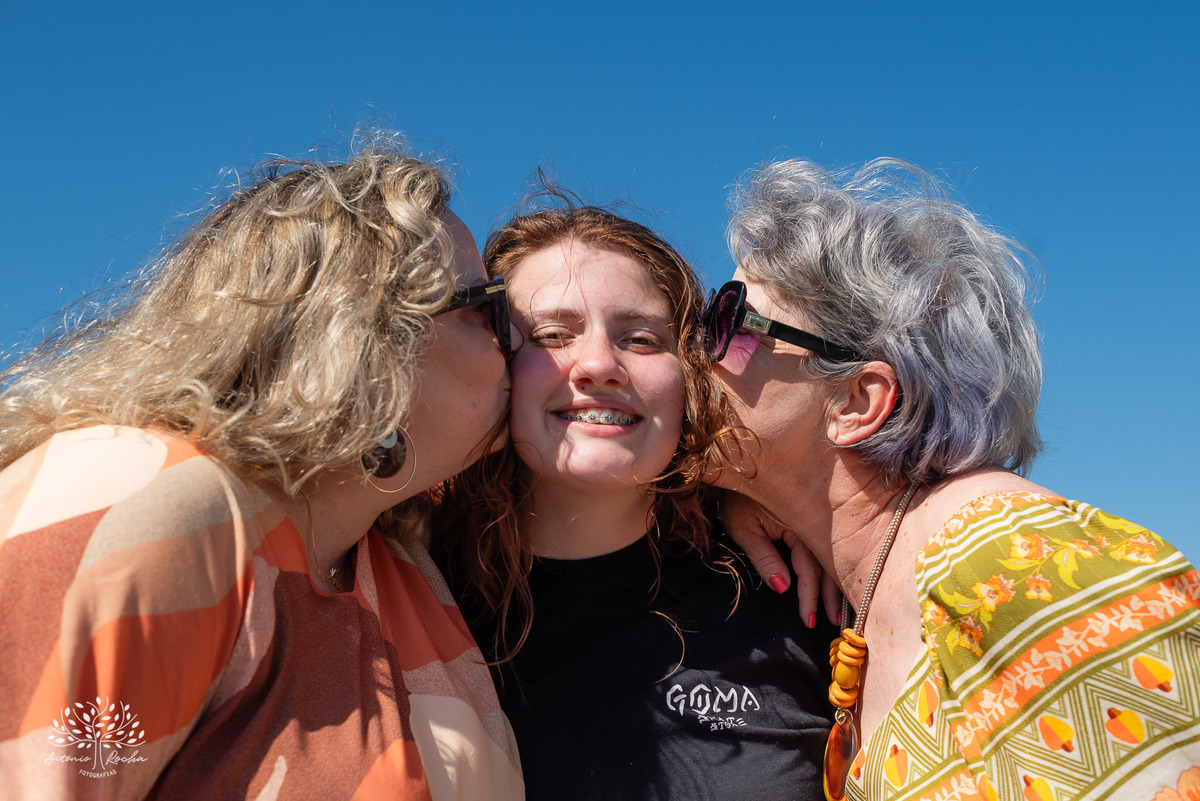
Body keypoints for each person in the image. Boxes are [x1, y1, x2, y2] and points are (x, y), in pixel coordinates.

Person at [0, 143, 524, 799]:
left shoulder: (392, 551)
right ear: (365, 338)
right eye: (488, 309)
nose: (518, 346)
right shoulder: (147, 501)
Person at [707, 158, 1200, 801]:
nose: (693, 348)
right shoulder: (879, 592)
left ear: (857, 400)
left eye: (728, 319)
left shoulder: (1024, 568)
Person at [434, 201, 834, 801]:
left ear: (690, 378)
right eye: (550, 335)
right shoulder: (408, 583)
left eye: (641, 339)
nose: (599, 364)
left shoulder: (793, 587)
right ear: (493, 361)